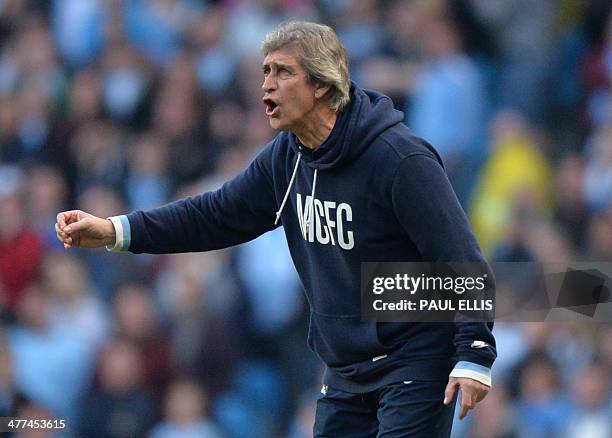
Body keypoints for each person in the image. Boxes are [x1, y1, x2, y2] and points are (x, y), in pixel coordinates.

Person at [56, 21, 496, 437]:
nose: (266, 83)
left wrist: (474, 351)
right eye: (265, 71)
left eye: (283, 72)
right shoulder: (288, 156)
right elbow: (216, 214)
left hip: (413, 358)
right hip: (344, 367)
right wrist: (117, 230)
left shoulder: (399, 159)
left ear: (322, 84)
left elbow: (459, 257)